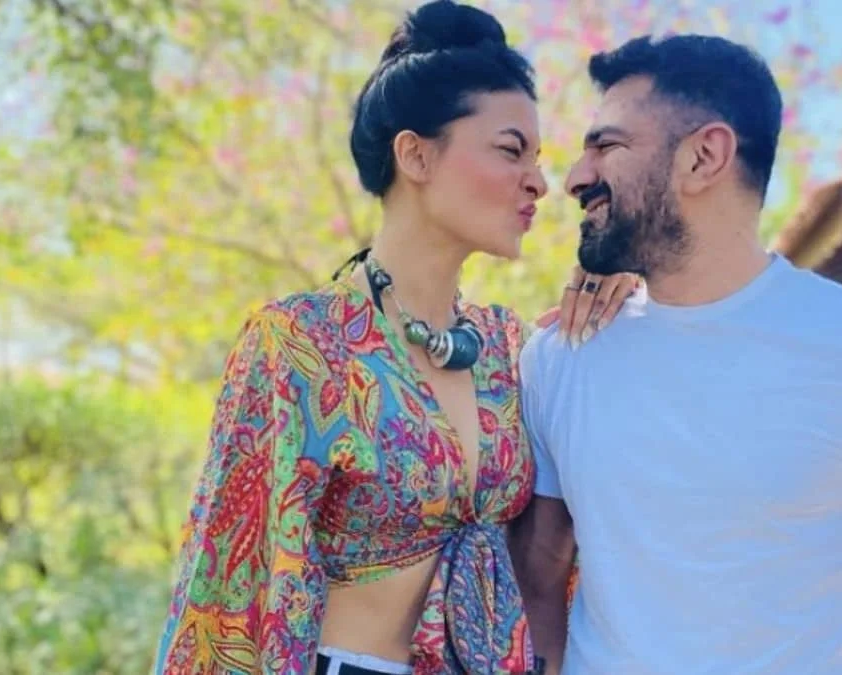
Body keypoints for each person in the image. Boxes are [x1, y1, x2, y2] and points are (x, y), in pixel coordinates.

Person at [510, 33, 842, 675]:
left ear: (704, 157)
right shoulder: (561, 359)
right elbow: (537, 585)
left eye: (607, 146)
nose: (575, 177)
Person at [151, 2, 637, 674]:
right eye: (510, 150)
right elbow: (227, 583)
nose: (538, 181)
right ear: (415, 154)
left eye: (538, 157)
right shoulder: (302, 344)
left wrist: (627, 300)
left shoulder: (508, 348)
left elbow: (584, 513)